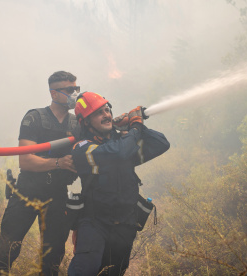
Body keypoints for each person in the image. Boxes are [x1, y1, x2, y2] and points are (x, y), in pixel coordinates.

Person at [0, 71, 81, 276]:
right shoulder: (35, 117)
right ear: (54, 93)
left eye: (76, 89)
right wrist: (58, 163)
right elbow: (26, 160)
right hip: (26, 191)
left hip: (57, 195)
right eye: (68, 90)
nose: (74, 94)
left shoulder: (78, 124)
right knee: (6, 252)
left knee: (52, 258)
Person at [67, 92, 170, 276]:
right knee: (85, 270)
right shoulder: (82, 148)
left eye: (107, 110)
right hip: (94, 223)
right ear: (86, 122)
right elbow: (117, 154)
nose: (106, 114)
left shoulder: (123, 142)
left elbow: (161, 143)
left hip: (125, 223)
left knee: (113, 272)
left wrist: (132, 124)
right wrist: (136, 126)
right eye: (98, 113)